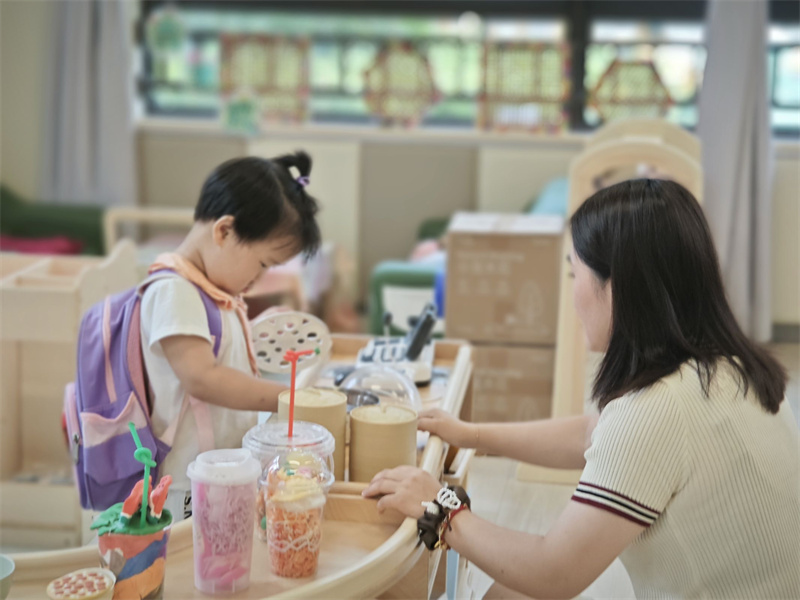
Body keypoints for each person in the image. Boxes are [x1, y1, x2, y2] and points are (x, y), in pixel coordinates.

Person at [364, 179, 800, 599]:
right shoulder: (733, 366)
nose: (573, 295)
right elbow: (591, 434)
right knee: (511, 591)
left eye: (576, 273)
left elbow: (553, 573)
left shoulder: (658, 410)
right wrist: (472, 435)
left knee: (517, 587)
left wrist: (440, 508)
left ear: (618, 288)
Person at [141, 152, 321, 519]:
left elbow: (215, 350)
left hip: (217, 472)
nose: (260, 278)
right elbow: (203, 377)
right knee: (191, 555)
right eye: (262, 264)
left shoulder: (210, 291)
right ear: (224, 231)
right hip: (185, 483)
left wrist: (252, 331)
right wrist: (288, 399)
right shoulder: (174, 290)